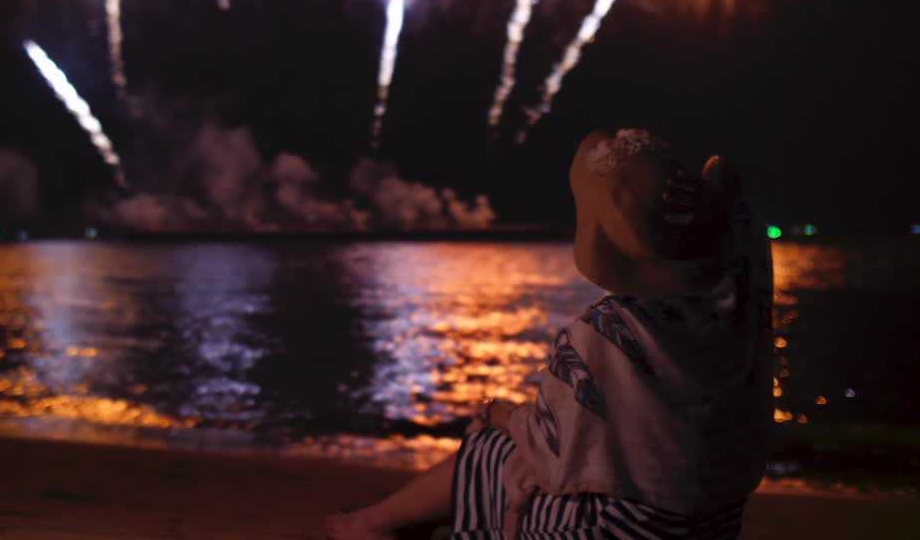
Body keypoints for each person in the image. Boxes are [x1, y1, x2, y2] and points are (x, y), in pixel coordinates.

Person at [327, 129, 773, 540]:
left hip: (627, 529)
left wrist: (503, 416)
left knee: (488, 450)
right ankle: (380, 522)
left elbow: (551, 451)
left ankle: (368, 526)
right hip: (715, 521)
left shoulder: (610, 328)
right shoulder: (737, 311)